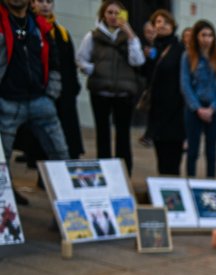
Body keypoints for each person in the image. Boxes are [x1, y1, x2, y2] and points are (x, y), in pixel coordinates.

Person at [75, 0, 143, 172]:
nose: (113, 16)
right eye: (110, 12)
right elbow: (81, 59)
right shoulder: (93, 36)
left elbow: (138, 60)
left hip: (123, 93)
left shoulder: (129, 37)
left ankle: (124, 172)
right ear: (103, 15)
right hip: (101, 91)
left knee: (123, 135)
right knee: (102, 133)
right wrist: (91, 69)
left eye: (116, 13)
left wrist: (130, 33)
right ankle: (104, 171)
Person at [0, 0, 68, 165]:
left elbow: (54, 61)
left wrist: (52, 93)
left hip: (41, 100)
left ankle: (64, 190)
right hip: (7, 102)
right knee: (2, 162)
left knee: (61, 154)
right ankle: (4, 191)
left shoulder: (39, 25)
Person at [15, 0, 82, 161]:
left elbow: (68, 65)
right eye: (41, 1)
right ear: (33, 4)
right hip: (38, 91)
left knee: (64, 138)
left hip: (64, 94)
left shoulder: (62, 32)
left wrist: (72, 89)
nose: (45, 6)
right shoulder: (27, 28)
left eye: (49, 2)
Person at [180, 20, 216, 178]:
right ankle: (191, 181)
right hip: (194, 109)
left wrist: (212, 108)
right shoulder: (188, 57)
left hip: (212, 110)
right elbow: (185, 84)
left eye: (210, 35)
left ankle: (211, 182)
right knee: (192, 151)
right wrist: (198, 108)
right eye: (203, 35)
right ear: (197, 37)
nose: (207, 39)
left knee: (211, 152)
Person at [144, 9, 184, 175]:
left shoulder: (178, 48)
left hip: (175, 109)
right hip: (158, 110)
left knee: (173, 158)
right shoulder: (153, 48)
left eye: (166, 22)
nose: (162, 25)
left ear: (173, 26)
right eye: (158, 22)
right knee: (161, 157)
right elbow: (146, 75)